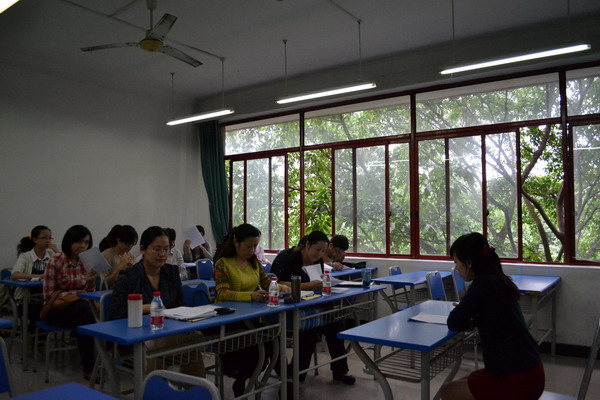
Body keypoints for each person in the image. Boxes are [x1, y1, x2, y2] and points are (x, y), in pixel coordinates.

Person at [440, 232, 544, 400]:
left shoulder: (482, 283)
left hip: (517, 378)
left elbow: (454, 322)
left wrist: (466, 311)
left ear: (469, 263)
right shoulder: (499, 279)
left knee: (447, 392)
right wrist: (469, 311)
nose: (456, 268)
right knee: (462, 382)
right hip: (530, 369)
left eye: (456, 262)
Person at [108, 226, 205, 376]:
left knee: (192, 347)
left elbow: (181, 306)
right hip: (137, 339)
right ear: (143, 249)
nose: (162, 254)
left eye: (166, 249)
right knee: (157, 351)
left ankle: (193, 388)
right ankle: (155, 388)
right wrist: (144, 308)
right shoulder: (129, 276)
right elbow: (114, 313)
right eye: (157, 249)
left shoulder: (171, 272)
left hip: (168, 332)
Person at [214, 223, 290, 396]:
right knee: (256, 346)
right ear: (236, 242)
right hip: (230, 319)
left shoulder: (253, 262)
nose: (252, 250)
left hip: (251, 315)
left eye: (255, 246)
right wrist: (251, 296)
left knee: (275, 340)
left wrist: (283, 288)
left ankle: (285, 383)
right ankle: (242, 381)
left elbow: (266, 283)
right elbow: (223, 293)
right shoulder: (222, 264)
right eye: (248, 246)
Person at [270, 231, 356, 385]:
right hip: (287, 308)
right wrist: (309, 285)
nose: (320, 254)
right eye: (317, 250)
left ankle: (340, 370)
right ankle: (295, 378)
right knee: (308, 334)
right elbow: (279, 283)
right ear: (307, 245)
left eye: (323, 251)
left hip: (311, 304)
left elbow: (317, 282)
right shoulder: (289, 259)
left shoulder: (318, 261)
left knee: (336, 325)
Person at [42, 225, 97, 380]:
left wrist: (91, 283)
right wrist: (78, 294)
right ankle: (94, 362)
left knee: (85, 314)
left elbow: (90, 292)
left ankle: (91, 365)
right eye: (79, 241)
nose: (83, 246)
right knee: (84, 311)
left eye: (86, 242)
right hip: (56, 310)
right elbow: (48, 296)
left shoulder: (86, 262)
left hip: (80, 311)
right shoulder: (55, 261)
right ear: (69, 241)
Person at [11, 225, 59, 331]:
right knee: (37, 313)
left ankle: (42, 337)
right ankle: (35, 337)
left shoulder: (52, 255)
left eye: (50, 238)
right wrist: (39, 276)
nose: (48, 240)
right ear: (35, 240)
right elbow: (15, 275)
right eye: (44, 237)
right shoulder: (26, 256)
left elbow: (65, 268)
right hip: (27, 301)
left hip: (48, 300)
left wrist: (57, 251)